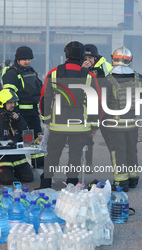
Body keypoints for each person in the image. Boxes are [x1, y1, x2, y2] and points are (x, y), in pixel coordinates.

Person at [38, 41, 102, 188]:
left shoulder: (53, 73)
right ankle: (72, 185)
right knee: (75, 156)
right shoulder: (89, 76)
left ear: (66, 54)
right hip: (80, 126)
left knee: (53, 155)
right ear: (82, 56)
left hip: (57, 125)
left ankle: (46, 183)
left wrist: (46, 119)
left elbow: (44, 98)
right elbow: (95, 102)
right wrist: (94, 126)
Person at [101, 46, 142, 192]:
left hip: (115, 124)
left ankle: (121, 182)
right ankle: (133, 178)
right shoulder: (138, 77)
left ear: (113, 59)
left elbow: (102, 102)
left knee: (118, 152)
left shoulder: (107, 79)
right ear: (130, 60)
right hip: (133, 124)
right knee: (131, 150)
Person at [2, 46, 44, 168]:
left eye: (29, 59)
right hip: (20, 114)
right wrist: (14, 114)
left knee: (37, 140)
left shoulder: (31, 71)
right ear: (18, 59)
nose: (27, 61)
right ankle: (19, 168)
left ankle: (39, 165)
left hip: (33, 113)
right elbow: (9, 96)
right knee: (22, 142)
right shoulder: (11, 74)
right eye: (24, 59)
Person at [0, 89, 33, 184]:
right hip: (3, 157)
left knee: (28, 177)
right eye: (9, 102)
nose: (13, 105)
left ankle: (13, 172)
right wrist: (5, 141)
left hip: (18, 156)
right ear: (2, 103)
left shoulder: (17, 117)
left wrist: (19, 121)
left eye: (14, 102)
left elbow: (28, 135)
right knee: (7, 180)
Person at [82, 44, 113, 169]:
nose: (88, 60)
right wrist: (83, 70)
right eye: (86, 57)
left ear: (95, 57)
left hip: (105, 107)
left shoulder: (106, 66)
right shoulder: (80, 67)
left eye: (90, 57)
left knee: (111, 138)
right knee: (88, 138)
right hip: (88, 108)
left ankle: (116, 165)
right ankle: (88, 164)